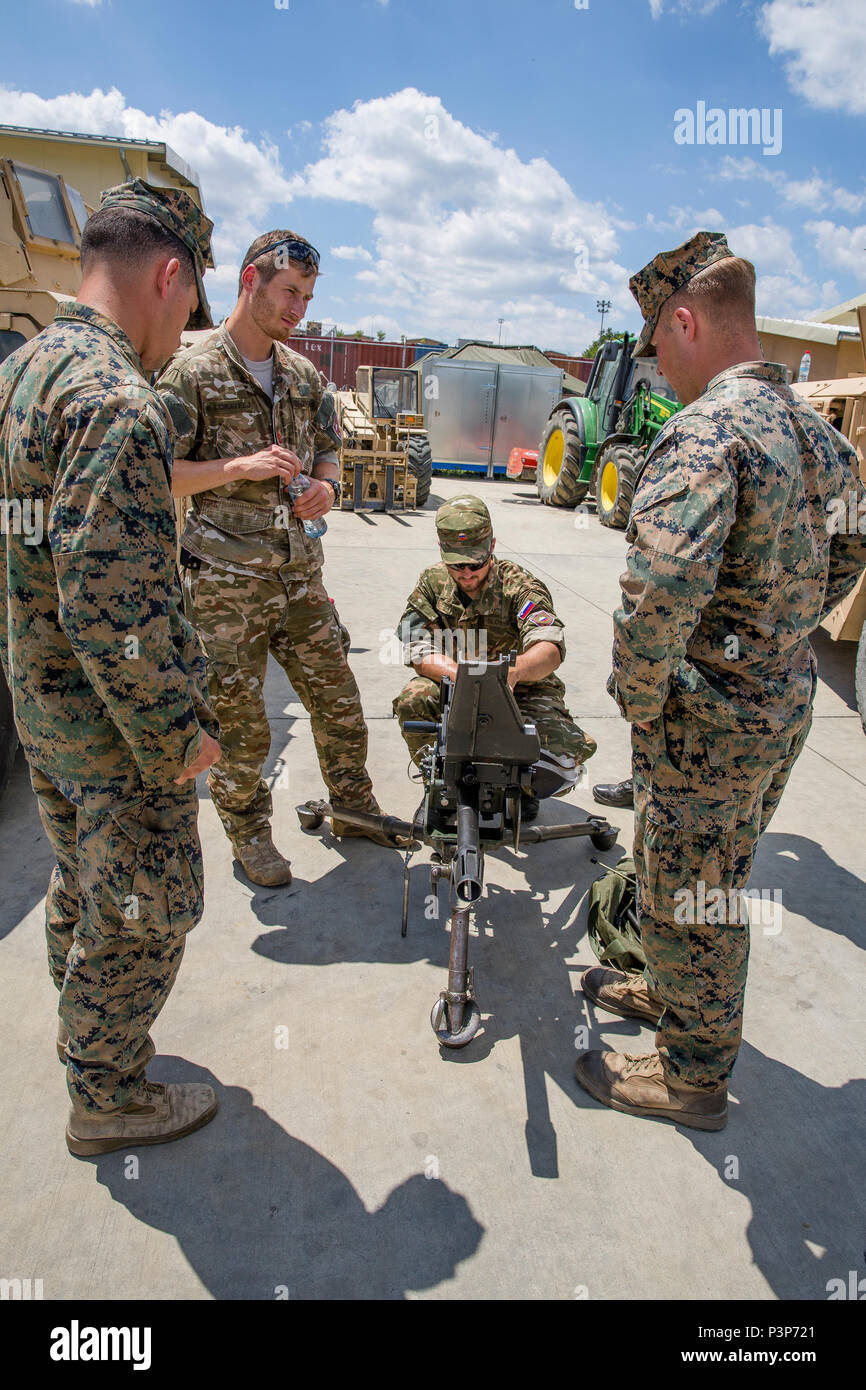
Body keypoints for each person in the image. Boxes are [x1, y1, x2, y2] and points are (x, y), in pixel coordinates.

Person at [575, 231, 866, 1130]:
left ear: (688, 320)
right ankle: (673, 990)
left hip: (705, 720)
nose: (657, 362)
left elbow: (658, 592)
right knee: (703, 874)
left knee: (693, 895)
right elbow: (851, 546)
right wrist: (778, 628)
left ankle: (692, 1077)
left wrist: (641, 699)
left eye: (659, 341)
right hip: (782, 701)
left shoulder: (704, 434)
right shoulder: (820, 438)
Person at [0, 179, 223, 1155]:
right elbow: (112, 605)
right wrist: (180, 736)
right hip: (113, 728)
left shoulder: (28, 370)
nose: (182, 335)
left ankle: (80, 1030)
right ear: (168, 275)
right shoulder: (117, 400)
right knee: (147, 905)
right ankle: (107, 1092)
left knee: (85, 884)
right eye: (188, 308)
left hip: (44, 705)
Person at [158, 230, 391, 888]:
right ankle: (250, 835)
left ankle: (353, 806)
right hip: (225, 586)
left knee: (341, 702)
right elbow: (161, 475)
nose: (298, 309)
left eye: (308, 297)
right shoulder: (192, 374)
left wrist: (327, 486)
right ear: (249, 281)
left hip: (299, 577)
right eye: (289, 291)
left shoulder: (304, 374)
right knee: (240, 724)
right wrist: (240, 465)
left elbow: (327, 448)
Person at [393, 495, 596, 814]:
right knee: (414, 699)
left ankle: (520, 786)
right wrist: (458, 674)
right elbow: (413, 642)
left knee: (562, 749)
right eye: (457, 564)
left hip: (522, 691)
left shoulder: (520, 586)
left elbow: (549, 646)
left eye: (476, 562)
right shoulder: (432, 582)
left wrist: (511, 673)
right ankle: (439, 780)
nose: (467, 573)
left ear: (492, 546)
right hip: (454, 684)